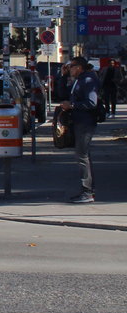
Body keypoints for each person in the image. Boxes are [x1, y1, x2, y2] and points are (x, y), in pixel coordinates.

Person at [59, 56, 99, 203]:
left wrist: (73, 106)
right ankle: (87, 190)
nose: (70, 69)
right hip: (79, 122)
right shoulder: (79, 80)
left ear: (79, 67)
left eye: (71, 66)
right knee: (83, 155)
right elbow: (63, 94)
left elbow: (91, 102)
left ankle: (87, 192)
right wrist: (63, 77)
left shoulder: (88, 80)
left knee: (82, 156)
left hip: (85, 122)